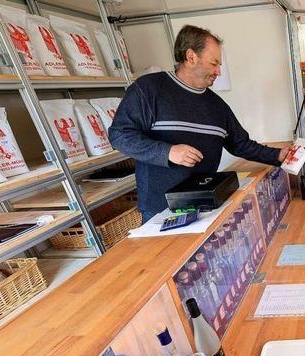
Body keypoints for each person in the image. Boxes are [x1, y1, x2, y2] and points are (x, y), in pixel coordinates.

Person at [109, 25, 289, 223]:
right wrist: (168, 152)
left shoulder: (217, 105)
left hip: (205, 204)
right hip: (160, 211)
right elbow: (119, 135)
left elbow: (240, 144)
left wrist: (277, 155)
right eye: (214, 63)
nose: (218, 71)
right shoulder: (149, 89)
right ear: (191, 56)